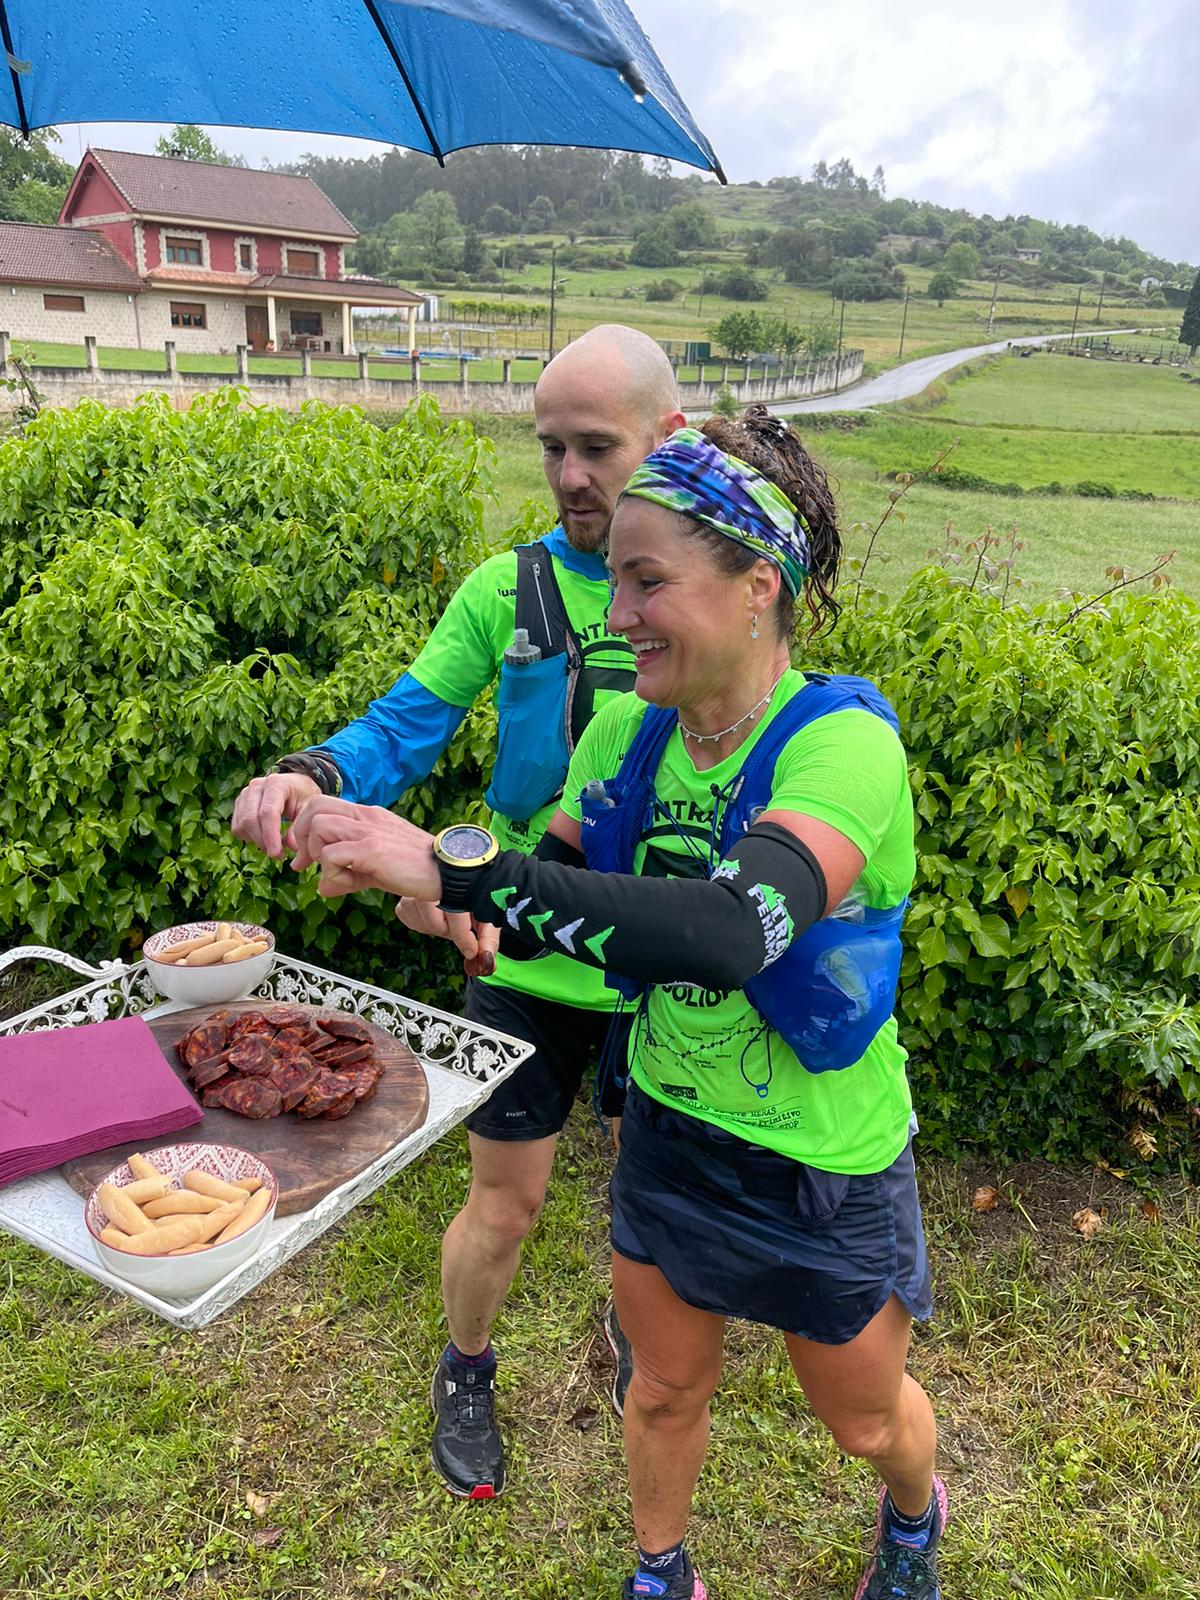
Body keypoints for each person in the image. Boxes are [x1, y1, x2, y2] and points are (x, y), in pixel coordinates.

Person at [283, 409, 945, 1600]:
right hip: (672, 1136)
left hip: (824, 1165)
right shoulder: (630, 733)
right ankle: (660, 1569)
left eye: (649, 580)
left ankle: (912, 1513)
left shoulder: (841, 744)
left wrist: (457, 869)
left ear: (758, 585)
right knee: (662, 1385)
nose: (619, 610)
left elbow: (738, 928)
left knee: (863, 1422)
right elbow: (553, 881)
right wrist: (448, 903)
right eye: (617, 578)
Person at [231, 324, 686, 1500]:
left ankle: (640, 1337)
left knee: (653, 1186)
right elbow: (405, 721)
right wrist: (320, 777)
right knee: (508, 1198)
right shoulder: (511, 589)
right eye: (552, 449)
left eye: (600, 445)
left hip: (658, 955)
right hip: (520, 947)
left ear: (668, 440)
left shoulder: (712, 595)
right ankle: (467, 1363)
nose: (575, 476)